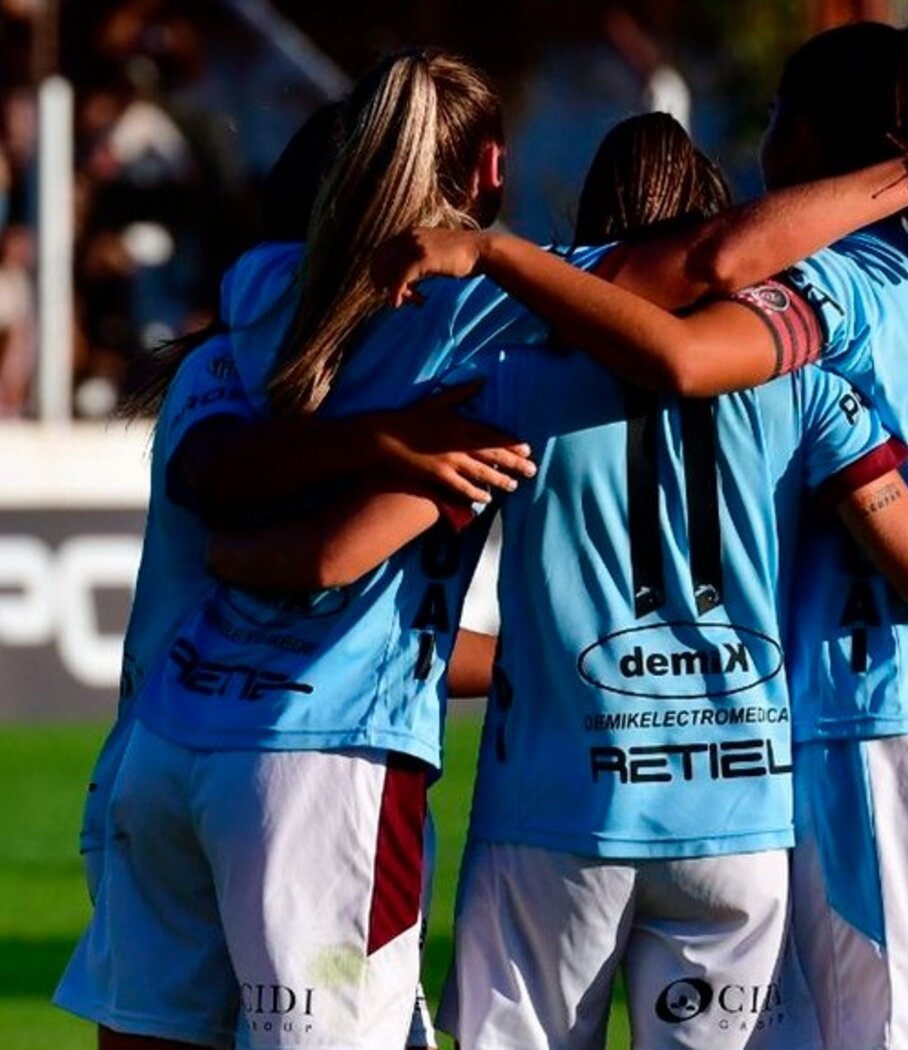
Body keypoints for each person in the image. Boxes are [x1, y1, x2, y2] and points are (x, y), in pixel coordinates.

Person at [374, 21, 908, 1050]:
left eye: (775, 120)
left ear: (804, 141)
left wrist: (494, 256)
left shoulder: (832, 287)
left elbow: (687, 341)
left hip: (863, 726)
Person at [53, 79, 532, 1050]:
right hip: (303, 758)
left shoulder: (288, 343)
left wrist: (542, 666)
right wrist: (383, 441)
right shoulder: (369, 361)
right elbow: (281, 531)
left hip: (169, 748)